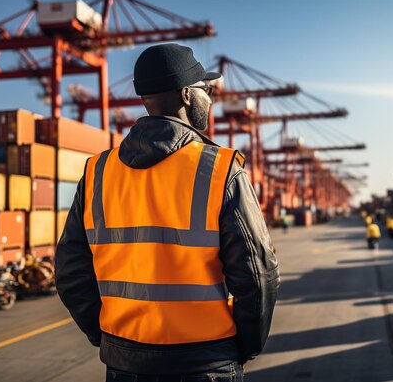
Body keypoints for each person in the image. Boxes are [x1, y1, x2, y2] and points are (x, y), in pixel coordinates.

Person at [55, 43, 279, 382]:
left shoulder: (97, 173)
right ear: (187, 95)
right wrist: (244, 346)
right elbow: (256, 274)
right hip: (206, 360)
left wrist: (107, 338)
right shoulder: (220, 170)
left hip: (124, 362)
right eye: (207, 90)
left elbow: (70, 271)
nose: (211, 98)